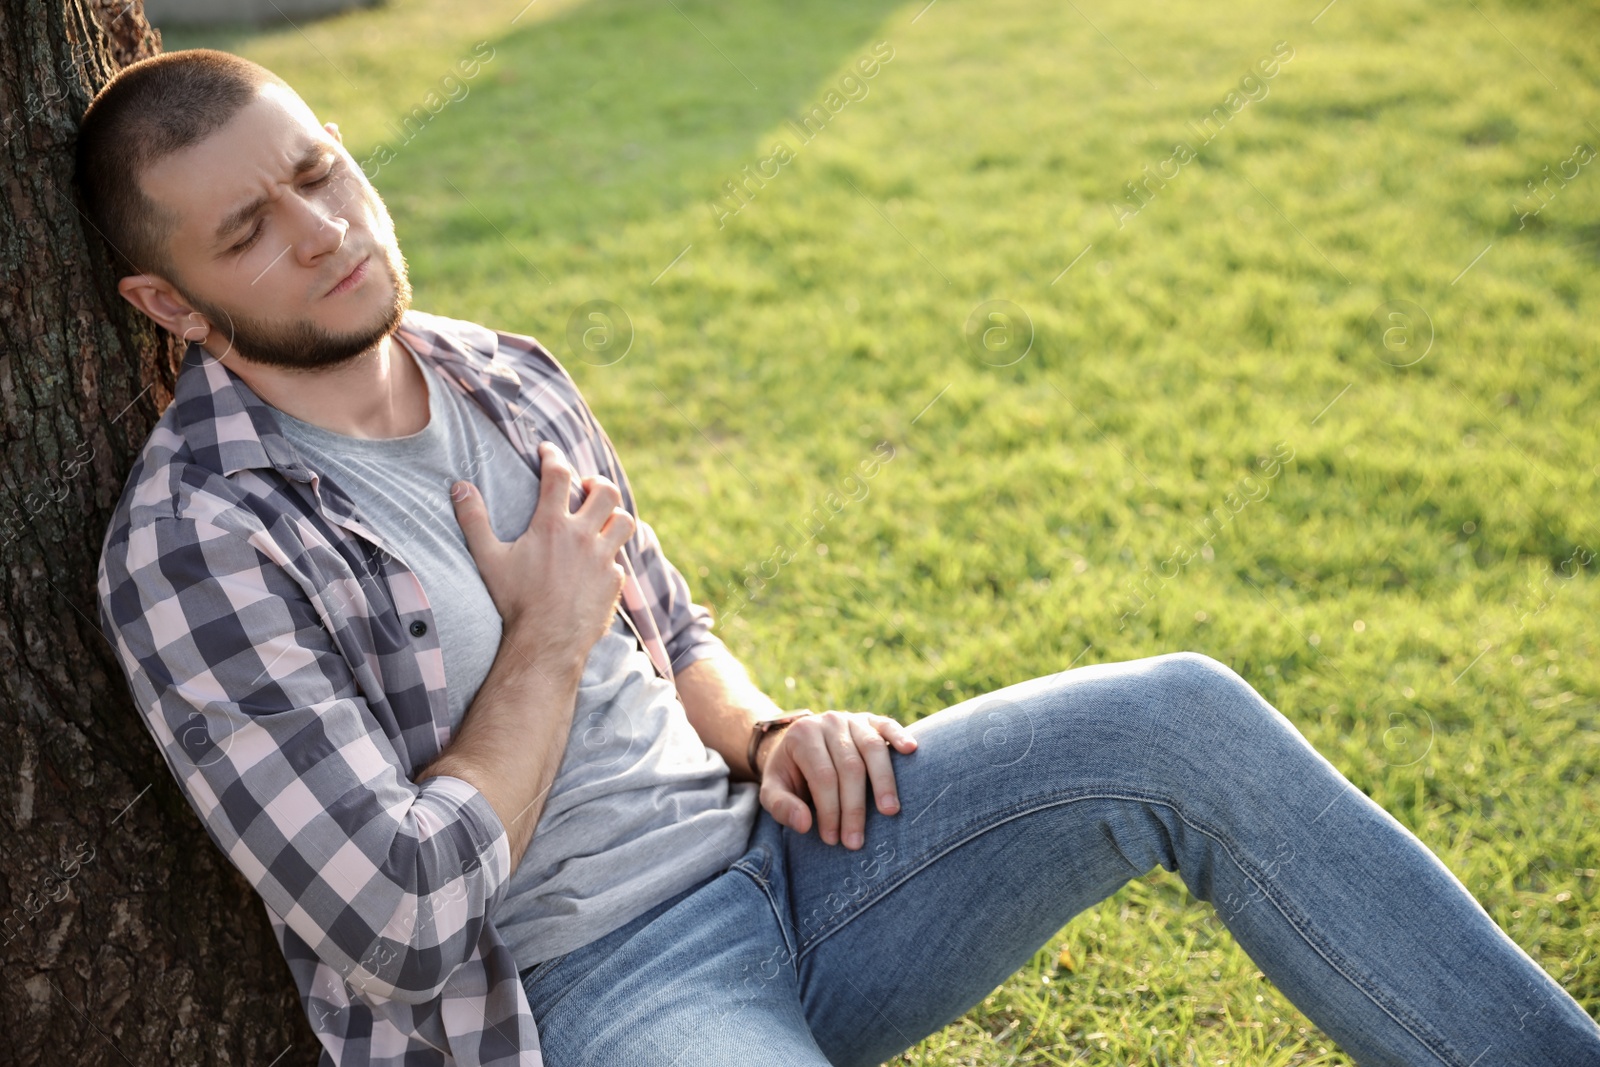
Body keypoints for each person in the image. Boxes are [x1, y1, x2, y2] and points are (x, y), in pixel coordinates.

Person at [83, 48, 1599, 1067]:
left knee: (1178, 714)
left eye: (322, 172)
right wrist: (542, 647)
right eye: (249, 231)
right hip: (590, 988)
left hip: (793, 866)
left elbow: (671, 626)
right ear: (172, 304)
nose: (325, 231)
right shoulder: (199, 542)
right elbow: (398, 924)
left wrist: (766, 729)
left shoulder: (502, 372)